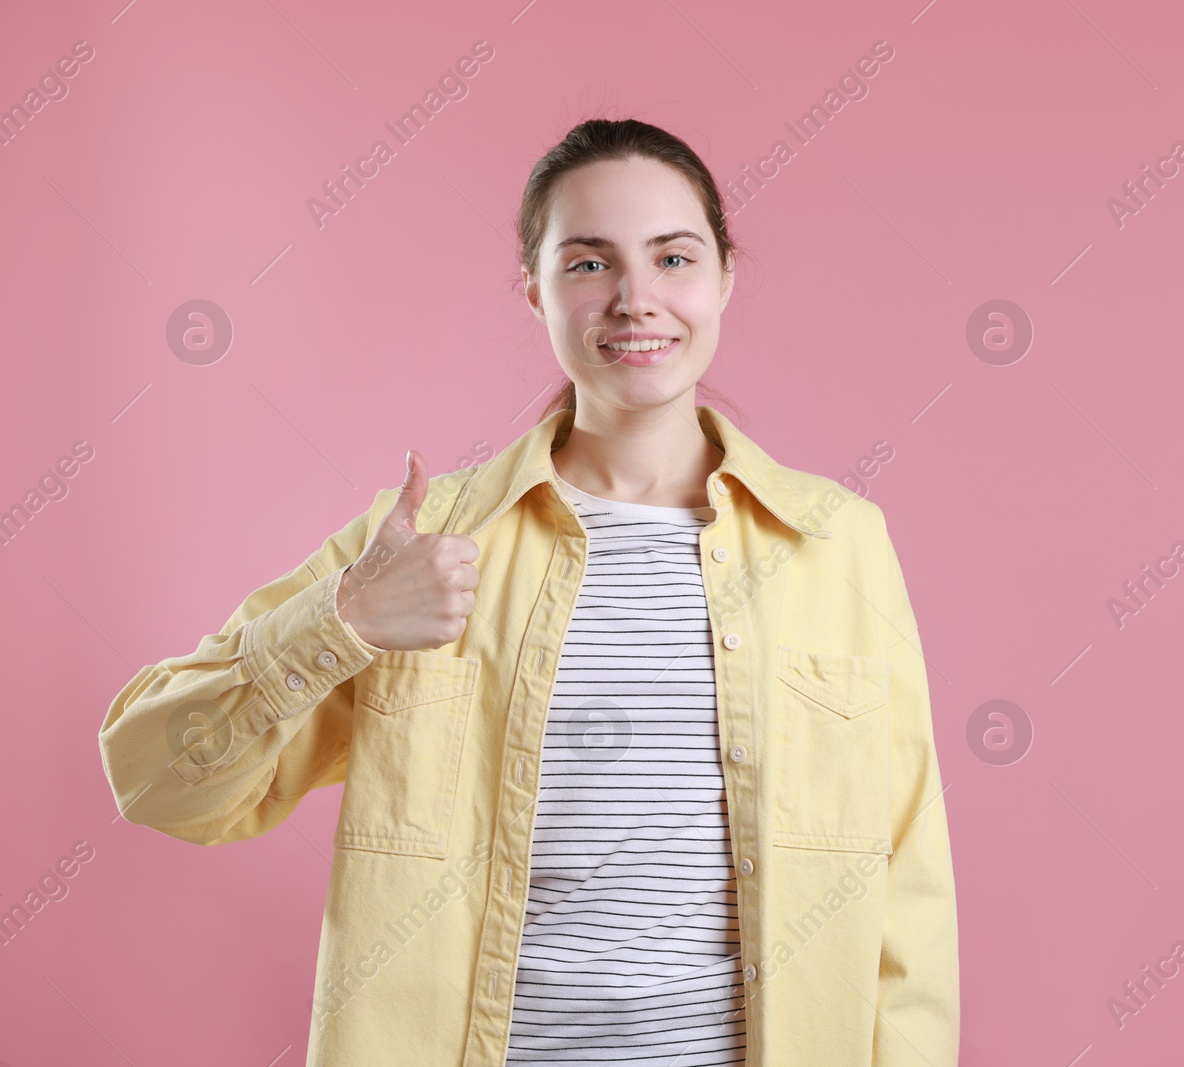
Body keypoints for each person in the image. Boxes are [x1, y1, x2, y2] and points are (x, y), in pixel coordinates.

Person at [98, 117, 959, 1066]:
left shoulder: (838, 545)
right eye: (588, 264)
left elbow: (907, 884)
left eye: (673, 257)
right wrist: (340, 622)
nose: (636, 301)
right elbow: (153, 780)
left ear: (724, 277)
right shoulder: (422, 541)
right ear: (534, 290)